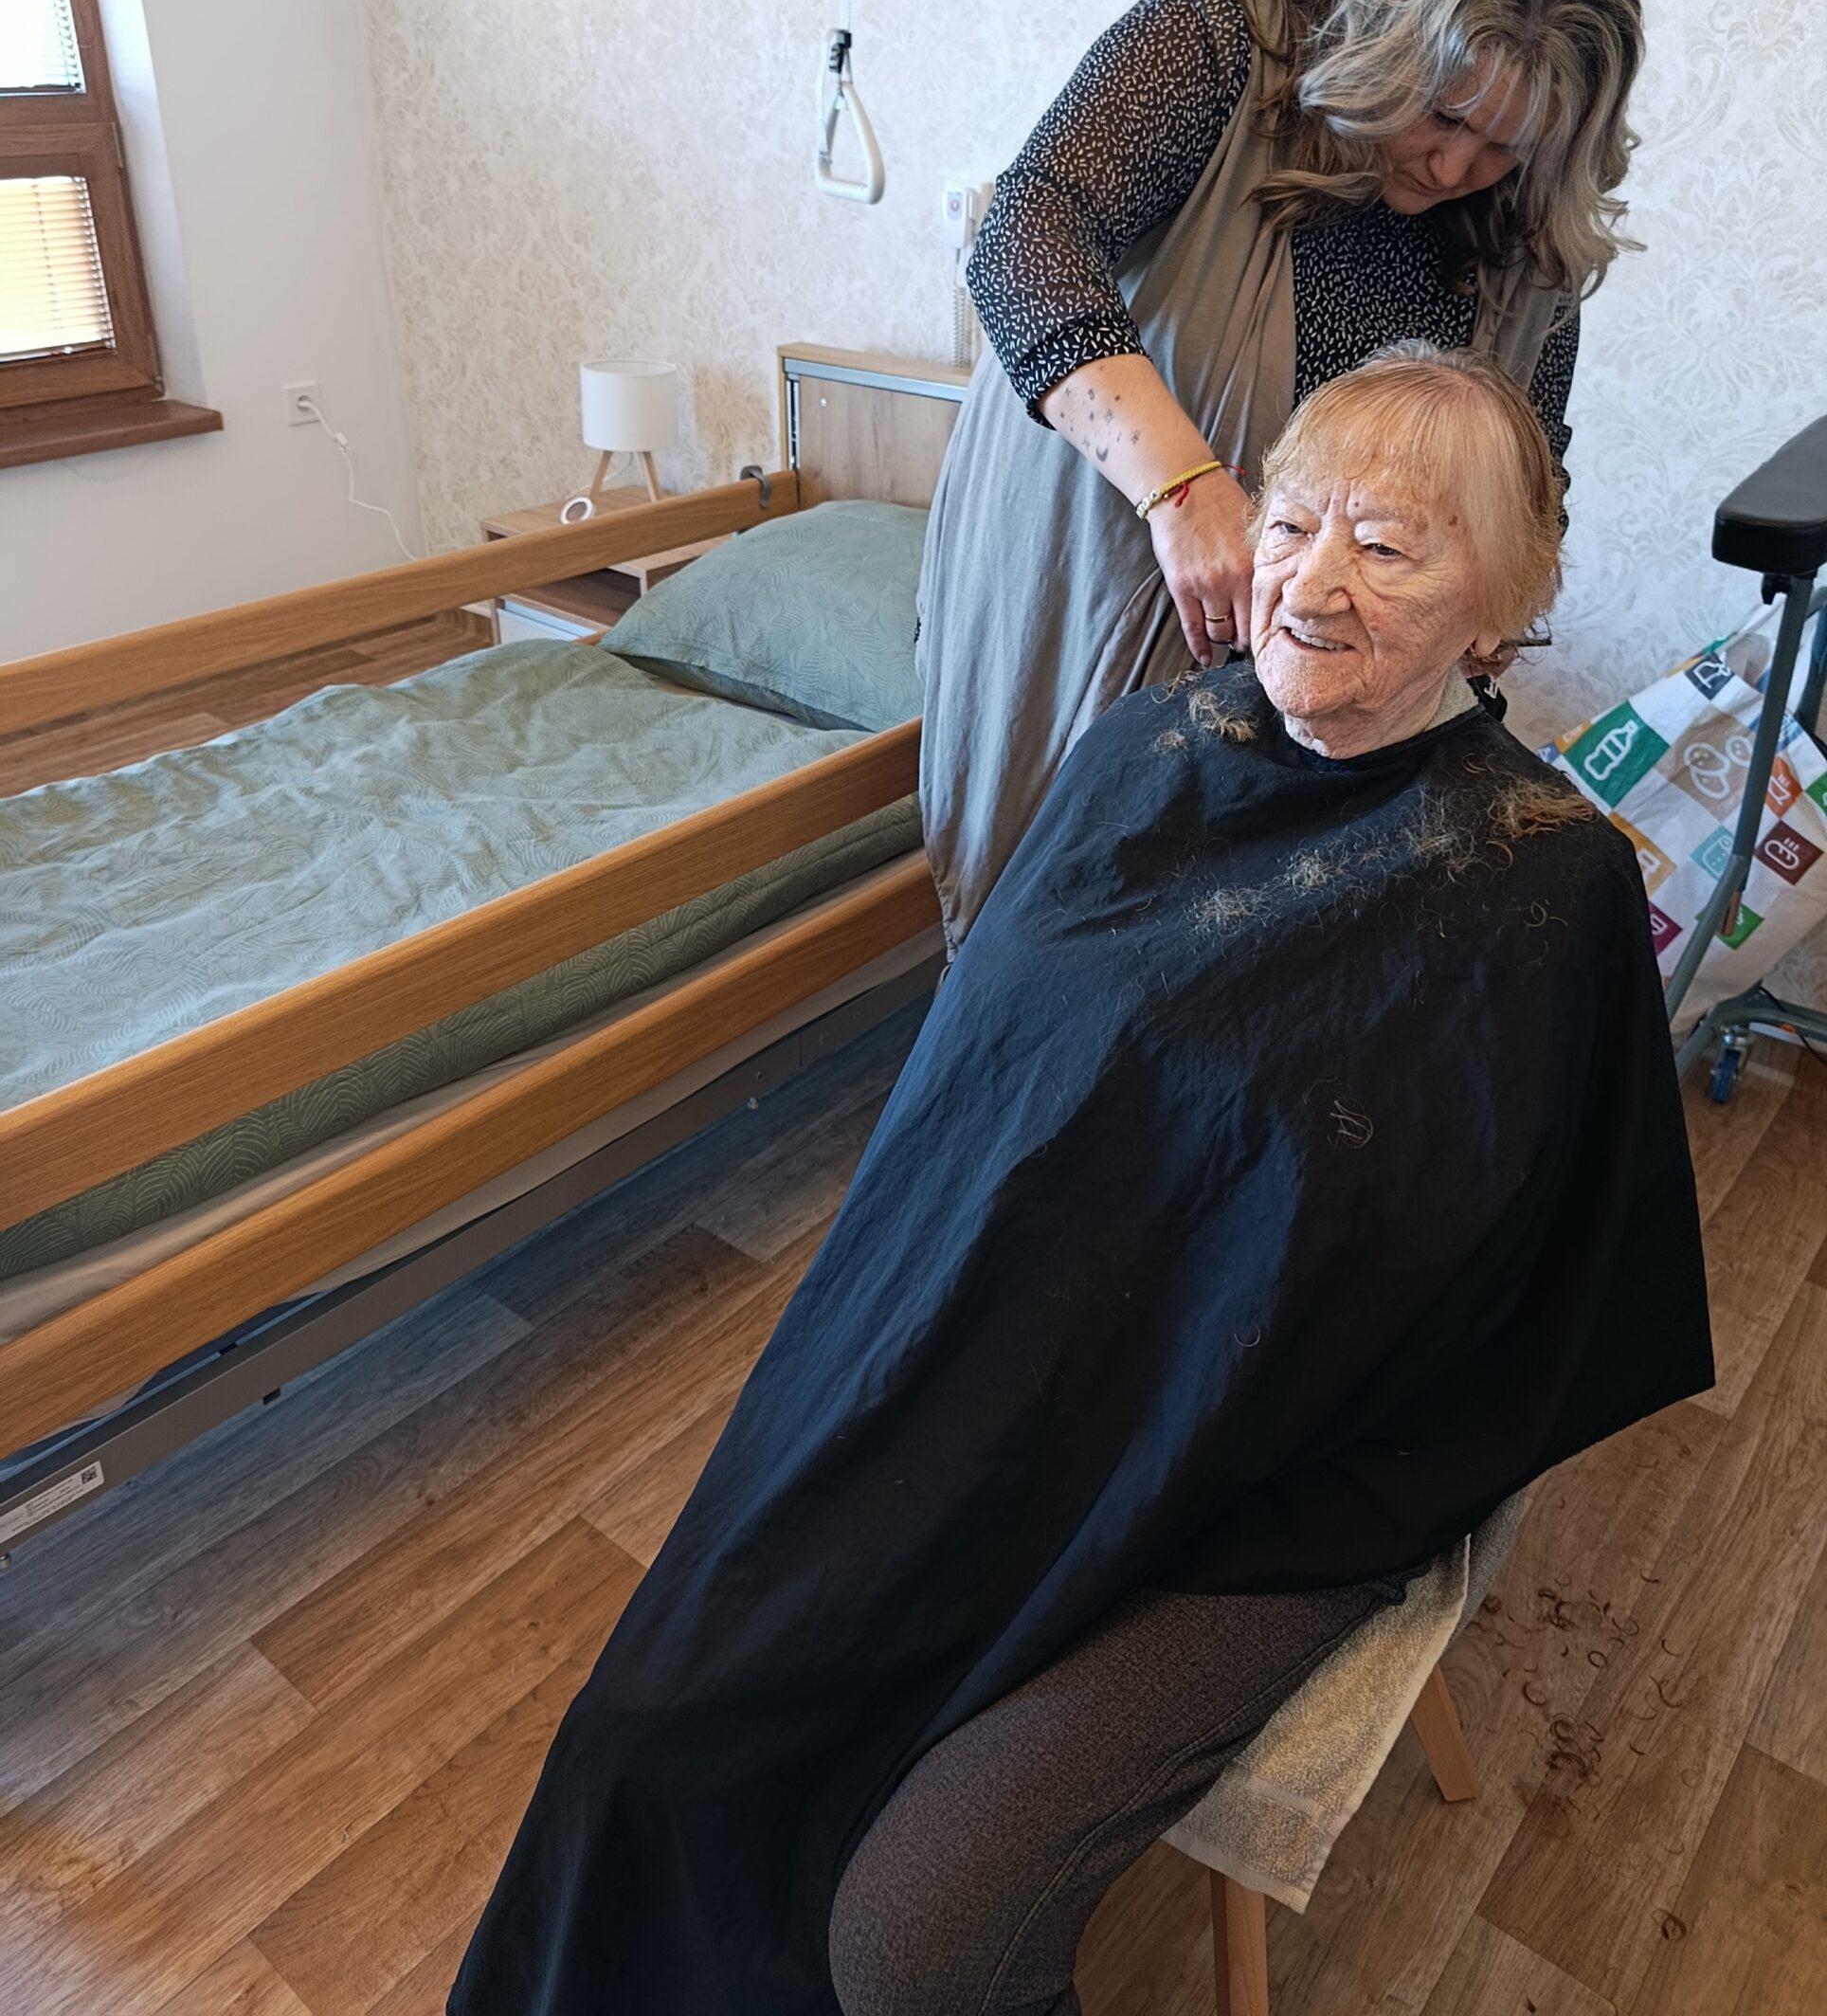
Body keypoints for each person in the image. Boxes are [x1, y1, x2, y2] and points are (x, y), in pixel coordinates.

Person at [450, 351, 1710, 2016]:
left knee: (917, 1947)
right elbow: (971, 1111)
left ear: (1502, 602)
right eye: (1291, 523)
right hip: (978, 1382)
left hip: (1253, 1476)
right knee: (648, 1741)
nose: (1312, 582)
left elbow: (1514, 1299)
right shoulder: (1143, 751)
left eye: (1389, 547)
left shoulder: (1537, 892)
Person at [917, 0, 1644, 951]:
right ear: (1393, 50)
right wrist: (1182, 491)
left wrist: (1486, 609)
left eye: (1504, 146)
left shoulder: (1531, 222)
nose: (1454, 169)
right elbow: (1023, 236)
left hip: (1333, 678)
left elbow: (1534, 464)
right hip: (1115, 572)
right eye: (1442, 116)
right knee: (1066, 924)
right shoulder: (1224, 40)